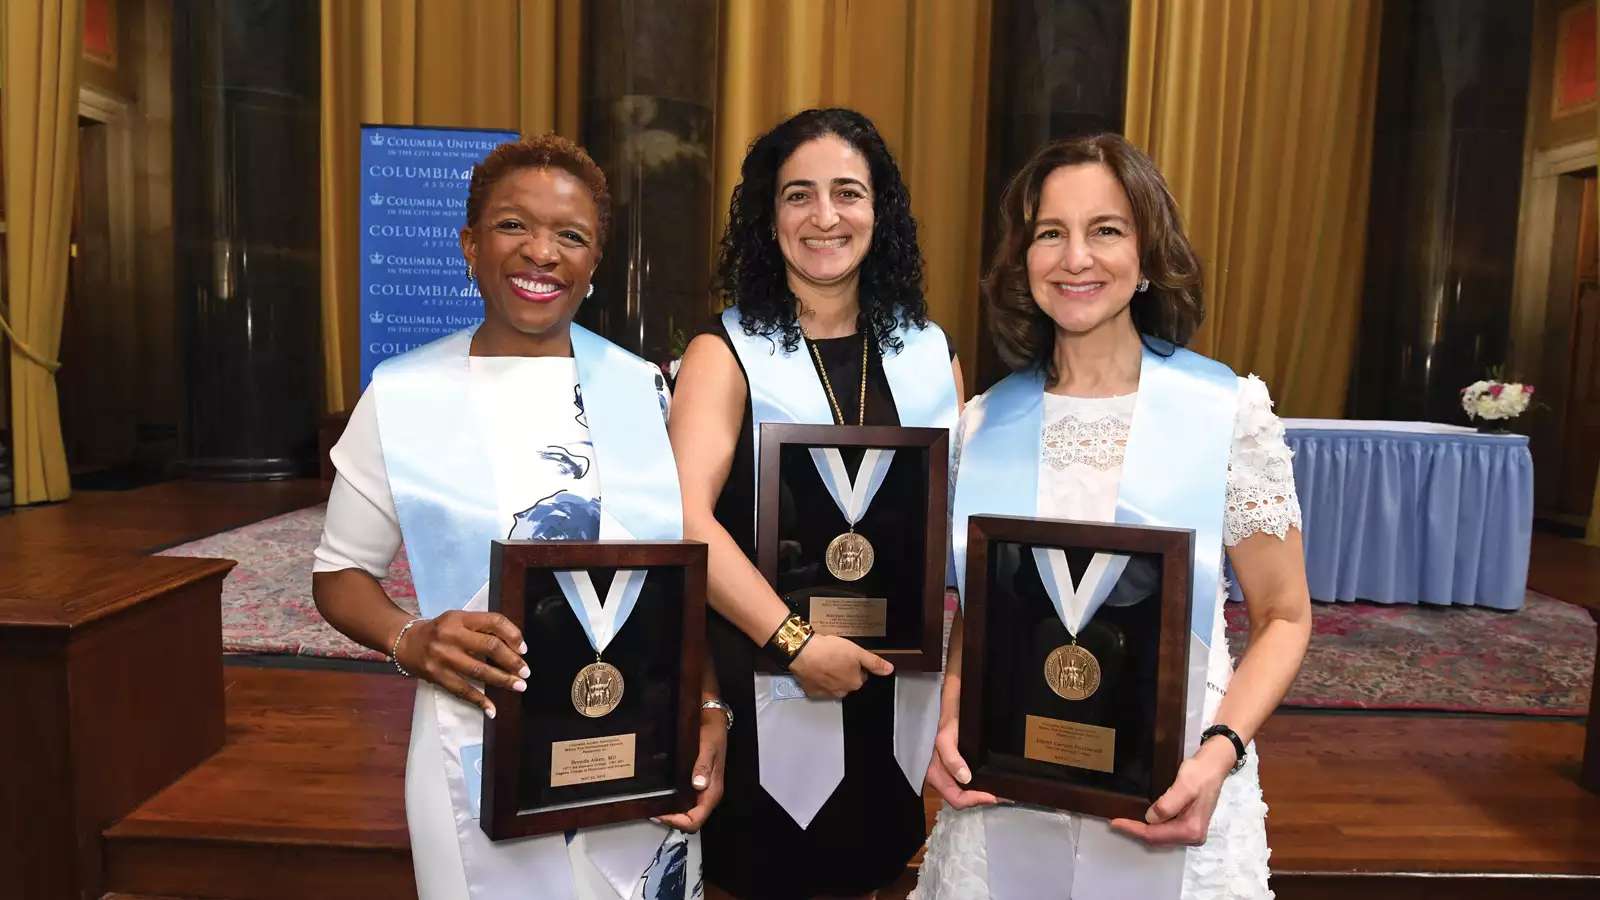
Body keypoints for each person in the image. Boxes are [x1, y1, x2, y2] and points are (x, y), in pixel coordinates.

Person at [312, 135, 726, 900]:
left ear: (594, 265)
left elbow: (672, 576)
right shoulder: (403, 395)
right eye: (513, 226)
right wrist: (411, 638)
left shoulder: (641, 390)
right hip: (477, 743)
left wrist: (706, 707)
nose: (542, 252)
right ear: (470, 245)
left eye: (571, 236)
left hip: (633, 741)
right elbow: (339, 575)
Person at [917, 134, 1312, 899]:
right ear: (1022, 257)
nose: (1076, 259)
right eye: (1049, 234)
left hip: (1174, 783)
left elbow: (1285, 615)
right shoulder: (984, 423)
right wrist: (954, 711)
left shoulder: (1225, 410)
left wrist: (1219, 753)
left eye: (1106, 230)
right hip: (1010, 791)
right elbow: (984, 609)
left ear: (1147, 252)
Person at [669, 108, 963, 899]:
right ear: (768, 219)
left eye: (848, 193)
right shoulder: (723, 351)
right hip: (766, 675)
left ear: (881, 211)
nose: (825, 217)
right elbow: (686, 519)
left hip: (891, 675)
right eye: (799, 195)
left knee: (869, 868)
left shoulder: (929, 351)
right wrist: (796, 642)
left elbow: (959, 520)